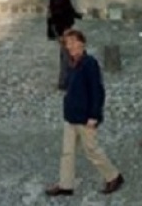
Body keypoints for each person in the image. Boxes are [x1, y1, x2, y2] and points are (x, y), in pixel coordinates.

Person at [46, 29, 124, 197]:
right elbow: (68, 87)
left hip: (85, 118)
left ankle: (114, 176)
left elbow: (98, 91)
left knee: (92, 150)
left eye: (74, 41)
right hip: (70, 116)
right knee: (67, 152)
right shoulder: (71, 63)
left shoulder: (90, 63)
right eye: (68, 43)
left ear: (82, 43)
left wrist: (94, 115)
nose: (71, 46)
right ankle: (65, 185)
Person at [49, 0, 83, 90]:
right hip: (63, 30)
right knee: (66, 56)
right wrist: (62, 32)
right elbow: (57, 16)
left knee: (66, 55)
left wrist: (79, 15)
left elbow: (69, 11)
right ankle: (64, 82)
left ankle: (66, 81)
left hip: (65, 29)